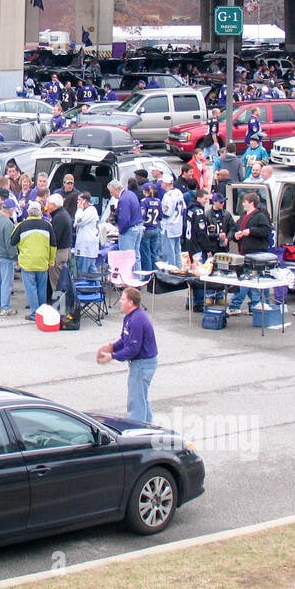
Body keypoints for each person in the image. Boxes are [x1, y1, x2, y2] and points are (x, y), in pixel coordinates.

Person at [96, 287, 158, 424]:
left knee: (136, 401)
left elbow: (133, 349)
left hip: (143, 364)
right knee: (141, 398)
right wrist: (112, 346)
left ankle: (135, 431)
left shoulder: (137, 320)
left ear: (131, 302)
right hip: (140, 363)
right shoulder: (130, 317)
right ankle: (148, 427)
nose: (120, 302)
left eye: (123, 299)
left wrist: (112, 356)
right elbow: (125, 340)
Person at [225, 193, 272, 316]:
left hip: (256, 253)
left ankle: (235, 305)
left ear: (251, 203)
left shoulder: (260, 216)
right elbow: (235, 229)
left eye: (245, 201)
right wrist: (236, 236)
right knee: (251, 280)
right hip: (244, 252)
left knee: (246, 280)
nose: (243, 204)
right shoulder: (242, 217)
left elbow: (266, 231)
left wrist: (250, 231)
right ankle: (256, 304)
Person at [11, 202, 56, 321]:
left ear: (28, 212)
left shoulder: (21, 225)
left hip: (27, 262)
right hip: (43, 261)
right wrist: (51, 260)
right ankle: (42, 312)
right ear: (40, 212)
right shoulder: (48, 225)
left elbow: (12, 241)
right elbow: (53, 245)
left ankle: (34, 313)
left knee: (31, 288)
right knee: (42, 288)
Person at [46, 194, 73, 295]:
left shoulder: (58, 218)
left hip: (59, 252)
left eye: (49, 204)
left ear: (54, 205)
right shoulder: (64, 214)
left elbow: (55, 238)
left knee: (57, 281)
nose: (47, 206)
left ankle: (58, 304)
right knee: (61, 279)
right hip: (65, 250)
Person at [159, 176, 186, 268]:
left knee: (168, 252)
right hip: (178, 224)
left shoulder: (168, 195)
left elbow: (167, 212)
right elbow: (184, 208)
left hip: (169, 226)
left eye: (162, 182)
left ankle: (171, 272)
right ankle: (179, 269)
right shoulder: (178, 192)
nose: (161, 184)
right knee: (177, 250)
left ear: (166, 183)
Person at [72, 191, 100, 278]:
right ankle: (98, 288)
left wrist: (79, 209)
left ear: (84, 201)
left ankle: (82, 290)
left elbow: (78, 222)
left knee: (82, 272)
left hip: (86, 249)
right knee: (92, 271)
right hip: (87, 248)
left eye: (79, 200)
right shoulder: (89, 211)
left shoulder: (90, 211)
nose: (77, 202)